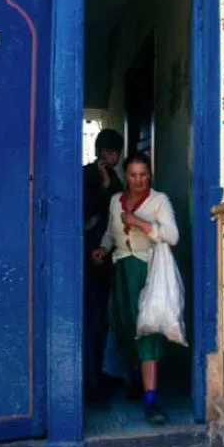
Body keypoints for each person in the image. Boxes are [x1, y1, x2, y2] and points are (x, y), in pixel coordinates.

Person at [92, 151, 179, 424]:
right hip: (121, 271)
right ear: (126, 176)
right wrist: (103, 249)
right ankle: (137, 381)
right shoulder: (115, 201)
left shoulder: (159, 201)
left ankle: (151, 400)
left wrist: (139, 222)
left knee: (148, 332)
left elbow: (172, 236)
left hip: (148, 272)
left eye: (143, 175)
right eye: (132, 175)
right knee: (126, 328)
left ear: (150, 174)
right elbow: (109, 232)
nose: (138, 180)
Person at [82, 129, 124, 402]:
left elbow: (118, 211)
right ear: (99, 151)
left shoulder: (118, 180)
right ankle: (89, 381)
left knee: (104, 321)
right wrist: (105, 186)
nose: (112, 156)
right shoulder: (86, 174)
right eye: (108, 151)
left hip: (107, 259)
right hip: (87, 256)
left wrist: (110, 185)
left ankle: (99, 374)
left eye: (116, 152)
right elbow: (84, 211)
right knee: (90, 320)